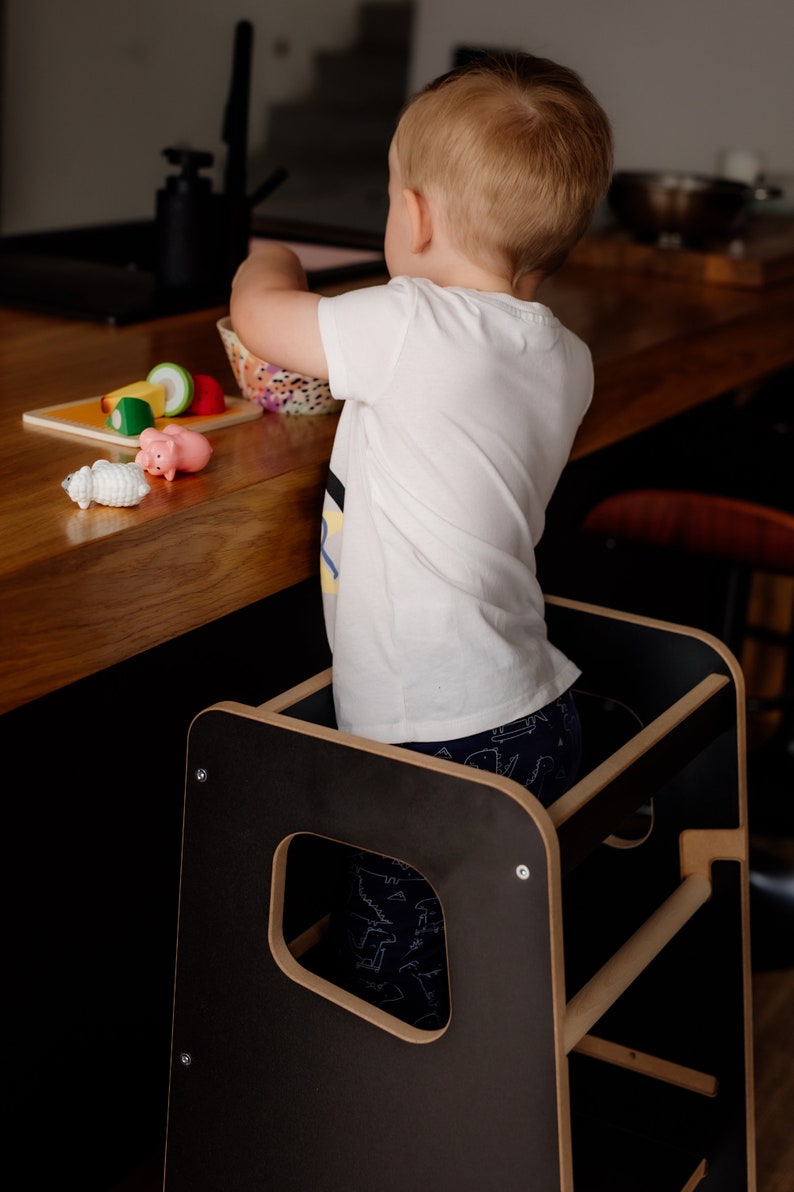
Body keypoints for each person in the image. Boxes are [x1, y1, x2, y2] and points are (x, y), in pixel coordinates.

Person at [230, 51, 613, 1029]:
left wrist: (268, 254)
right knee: (481, 960)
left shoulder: (413, 325)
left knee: (396, 989)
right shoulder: (560, 355)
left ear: (416, 216)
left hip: (434, 738)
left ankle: (410, 1140)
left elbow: (261, 320)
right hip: (528, 711)